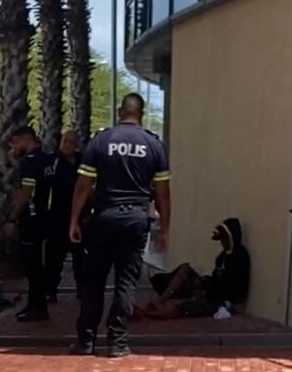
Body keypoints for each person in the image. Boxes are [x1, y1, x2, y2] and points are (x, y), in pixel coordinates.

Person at [69, 93, 171, 357]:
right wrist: (165, 229)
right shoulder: (153, 145)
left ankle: (86, 341)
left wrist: (74, 220)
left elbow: (83, 185)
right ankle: (118, 342)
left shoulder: (101, 141)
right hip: (136, 219)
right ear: (142, 113)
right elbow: (162, 193)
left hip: (104, 217)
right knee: (126, 281)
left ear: (119, 111)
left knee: (93, 280)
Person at [137, 218, 250, 319]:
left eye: (224, 239)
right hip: (209, 289)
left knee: (179, 308)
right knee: (185, 269)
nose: (222, 243)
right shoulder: (221, 256)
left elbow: (235, 287)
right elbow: (216, 277)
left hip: (220, 299)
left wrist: (209, 291)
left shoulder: (240, 255)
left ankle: (146, 314)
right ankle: (161, 300)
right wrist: (204, 283)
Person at [2, 125, 55, 322]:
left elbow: (26, 194)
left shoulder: (30, 162)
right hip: (46, 218)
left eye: (15, 144)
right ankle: (35, 305)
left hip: (32, 220)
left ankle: (37, 308)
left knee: (33, 267)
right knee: (37, 266)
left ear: (26, 139)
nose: (13, 149)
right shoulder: (47, 159)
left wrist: (12, 218)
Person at [45, 130, 86, 303]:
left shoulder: (84, 162)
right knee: (54, 257)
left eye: (71, 142)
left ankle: (83, 291)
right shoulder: (52, 161)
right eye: (65, 141)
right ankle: (50, 290)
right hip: (57, 218)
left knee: (81, 257)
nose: (67, 145)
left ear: (77, 145)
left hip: (81, 218)